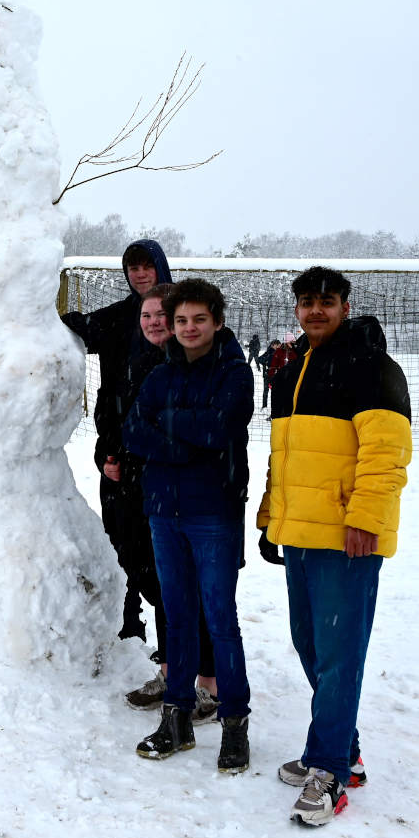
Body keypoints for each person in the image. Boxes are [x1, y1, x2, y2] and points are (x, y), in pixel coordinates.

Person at [256, 266, 411, 827]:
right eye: (306, 301)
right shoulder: (293, 367)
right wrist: (271, 517)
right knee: (310, 645)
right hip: (300, 531)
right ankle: (344, 748)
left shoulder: (373, 366)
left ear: (345, 306)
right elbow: (284, 457)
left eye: (326, 301)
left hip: (348, 537)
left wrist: (365, 519)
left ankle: (330, 771)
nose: (315, 310)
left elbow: (386, 454)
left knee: (340, 654)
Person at [123, 279, 254, 775]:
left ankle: (234, 720)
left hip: (213, 513)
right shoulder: (160, 374)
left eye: (199, 319)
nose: (189, 328)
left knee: (220, 619)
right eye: (181, 320)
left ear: (217, 321)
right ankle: (176, 717)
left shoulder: (235, 373)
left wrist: (167, 424)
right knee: (177, 617)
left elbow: (221, 429)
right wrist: (186, 442)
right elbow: (134, 431)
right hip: (163, 510)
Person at [60, 238, 174, 642]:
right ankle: (128, 626)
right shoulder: (119, 317)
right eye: (133, 268)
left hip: (162, 461)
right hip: (115, 452)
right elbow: (78, 325)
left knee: (163, 556)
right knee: (121, 544)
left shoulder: (183, 320)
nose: (140, 274)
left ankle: (173, 644)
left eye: (147, 266)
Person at [118, 285, 219, 721]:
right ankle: (171, 670)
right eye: (147, 316)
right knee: (166, 589)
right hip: (152, 493)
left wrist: (165, 438)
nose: (154, 322)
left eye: (163, 315)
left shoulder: (203, 364)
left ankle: (210, 684)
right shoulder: (145, 362)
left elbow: (208, 433)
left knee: (201, 592)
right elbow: (131, 426)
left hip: (201, 498)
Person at [261, 338, 292, 410]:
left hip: (275, 375)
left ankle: (275, 407)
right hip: (268, 374)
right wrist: (267, 365)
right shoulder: (269, 352)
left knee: (276, 391)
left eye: (280, 345)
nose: (279, 347)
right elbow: (260, 359)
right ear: (273, 345)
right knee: (266, 391)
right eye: (278, 345)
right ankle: (264, 406)